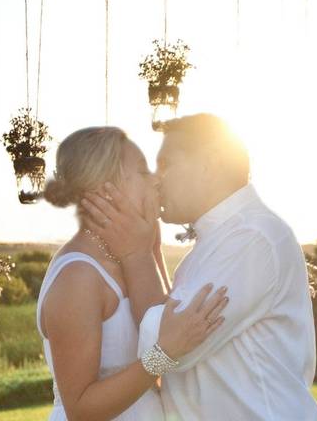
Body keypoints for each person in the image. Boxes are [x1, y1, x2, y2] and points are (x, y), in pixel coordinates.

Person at [82, 114, 317, 420]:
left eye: (167, 163)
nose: (156, 178)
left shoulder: (253, 237)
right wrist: (150, 250)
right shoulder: (218, 243)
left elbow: (170, 345)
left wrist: (135, 254)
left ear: (209, 164)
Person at [38, 126, 229, 421]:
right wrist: (163, 355)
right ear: (104, 190)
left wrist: (151, 249)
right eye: (142, 172)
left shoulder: (134, 256)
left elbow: (164, 326)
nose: (155, 180)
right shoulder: (78, 277)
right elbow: (80, 408)